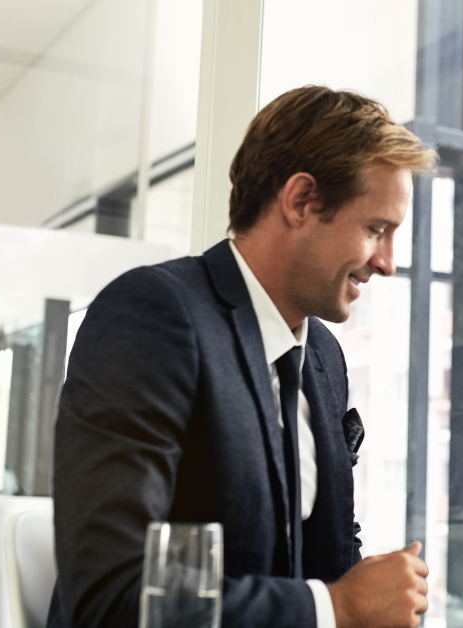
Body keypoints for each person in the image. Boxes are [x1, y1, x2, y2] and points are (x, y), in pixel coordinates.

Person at [48, 86, 437, 628]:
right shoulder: (152, 316)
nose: (388, 263)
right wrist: (338, 607)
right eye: (376, 230)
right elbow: (111, 594)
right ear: (300, 201)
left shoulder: (323, 358)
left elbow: (325, 558)